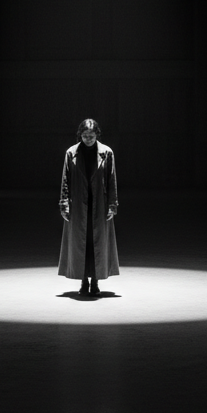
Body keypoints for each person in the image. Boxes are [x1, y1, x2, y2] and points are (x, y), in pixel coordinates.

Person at [58, 118, 120, 296]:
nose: (88, 139)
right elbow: (65, 180)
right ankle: (84, 281)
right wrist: (64, 204)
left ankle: (96, 282)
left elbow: (111, 180)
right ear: (80, 135)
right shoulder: (71, 153)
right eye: (84, 136)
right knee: (81, 244)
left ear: (97, 135)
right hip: (78, 206)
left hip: (99, 205)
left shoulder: (107, 153)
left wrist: (112, 205)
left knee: (97, 244)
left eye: (91, 136)